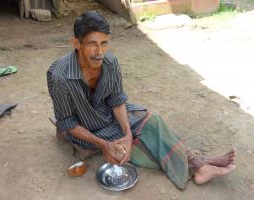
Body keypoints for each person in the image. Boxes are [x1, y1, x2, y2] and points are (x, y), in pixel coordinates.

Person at [47, 11, 236, 189]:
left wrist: (127, 133)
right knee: (132, 149)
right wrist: (104, 144)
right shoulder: (60, 77)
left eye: (104, 43)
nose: (100, 51)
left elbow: (117, 101)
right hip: (88, 129)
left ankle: (199, 164)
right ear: (77, 44)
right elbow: (68, 123)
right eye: (92, 44)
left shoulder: (110, 63)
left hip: (110, 116)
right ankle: (199, 164)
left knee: (153, 122)